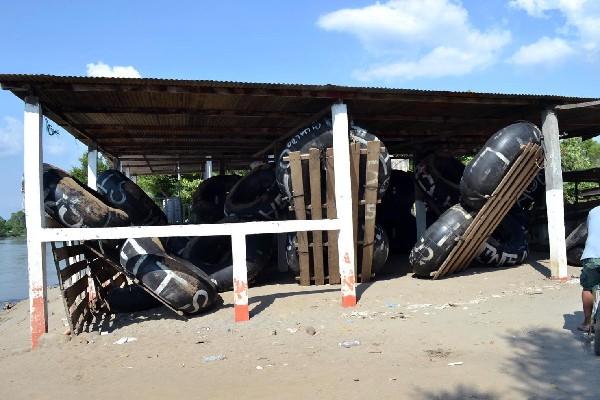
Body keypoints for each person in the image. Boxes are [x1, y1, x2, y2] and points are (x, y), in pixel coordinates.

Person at [579, 205, 600, 331]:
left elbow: (590, 230)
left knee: (588, 288)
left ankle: (587, 323)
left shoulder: (593, 211)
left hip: (591, 255)